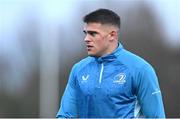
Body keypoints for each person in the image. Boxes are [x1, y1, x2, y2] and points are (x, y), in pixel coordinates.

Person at [56, 8, 165, 118]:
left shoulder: (140, 69)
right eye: (86, 33)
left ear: (112, 35)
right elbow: (65, 115)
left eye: (93, 34)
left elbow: (156, 116)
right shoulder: (78, 69)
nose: (86, 39)